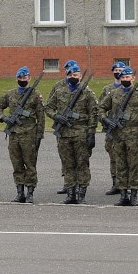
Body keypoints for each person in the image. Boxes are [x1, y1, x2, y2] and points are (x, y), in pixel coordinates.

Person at [99, 67, 138, 206]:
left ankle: (134, 194)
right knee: (120, 164)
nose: (125, 80)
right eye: (123, 78)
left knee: (133, 165)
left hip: (134, 134)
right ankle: (123, 194)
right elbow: (100, 108)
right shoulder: (113, 94)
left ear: (133, 78)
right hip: (117, 135)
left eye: (128, 78)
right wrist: (106, 120)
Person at [46, 64, 98, 204]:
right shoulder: (60, 91)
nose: (73, 77)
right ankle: (70, 193)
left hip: (81, 133)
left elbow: (94, 114)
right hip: (64, 134)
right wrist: (56, 117)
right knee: (68, 164)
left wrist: (91, 133)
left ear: (80, 76)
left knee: (82, 164)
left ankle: (81, 194)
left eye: (75, 75)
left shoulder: (88, 93)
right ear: (67, 76)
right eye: (70, 75)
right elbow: (48, 108)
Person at [0, 66, 45, 203]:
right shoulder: (10, 94)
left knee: (30, 164)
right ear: (16, 78)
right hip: (13, 135)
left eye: (25, 77)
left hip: (29, 134)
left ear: (29, 78)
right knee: (16, 164)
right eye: (20, 77)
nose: (22, 80)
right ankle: (20, 193)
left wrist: (39, 136)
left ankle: (30, 193)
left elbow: (41, 117)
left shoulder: (35, 95)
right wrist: (4, 118)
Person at [50, 59, 78, 196]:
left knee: (79, 158)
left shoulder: (81, 87)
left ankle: (78, 184)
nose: (71, 72)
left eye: (73, 70)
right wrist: (56, 117)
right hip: (62, 129)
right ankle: (67, 184)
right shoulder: (58, 86)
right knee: (65, 157)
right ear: (65, 71)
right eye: (68, 69)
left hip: (78, 129)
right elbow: (49, 106)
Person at [101, 61, 126, 196]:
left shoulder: (129, 89)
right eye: (116, 69)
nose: (118, 71)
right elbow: (100, 109)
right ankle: (115, 183)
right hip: (111, 129)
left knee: (126, 157)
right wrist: (105, 120)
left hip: (126, 130)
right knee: (113, 157)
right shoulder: (107, 89)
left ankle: (126, 184)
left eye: (121, 69)